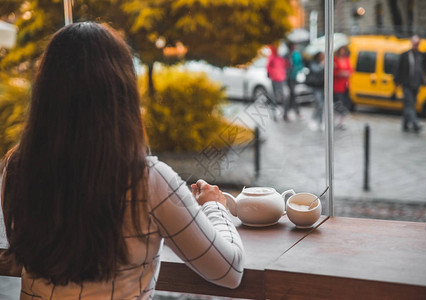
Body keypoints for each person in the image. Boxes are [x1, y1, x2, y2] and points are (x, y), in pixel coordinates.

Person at [0, 22, 244, 299]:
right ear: (122, 92)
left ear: (44, 91)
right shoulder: (148, 179)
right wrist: (214, 206)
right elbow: (230, 271)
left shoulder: (17, 166)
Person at [394, 35, 426, 133]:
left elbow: (425, 70)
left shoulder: (421, 56)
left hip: (416, 84)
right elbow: (399, 68)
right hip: (407, 84)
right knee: (409, 104)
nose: (416, 45)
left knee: (410, 104)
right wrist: (396, 81)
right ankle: (415, 124)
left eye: (417, 44)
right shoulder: (405, 55)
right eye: (414, 43)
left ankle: (405, 124)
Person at [267, 44, 288, 121]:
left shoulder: (281, 58)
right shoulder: (272, 57)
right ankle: (274, 114)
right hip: (275, 79)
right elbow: (268, 67)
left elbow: (285, 66)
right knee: (274, 97)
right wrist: (272, 74)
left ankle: (284, 114)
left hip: (281, 79)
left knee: (285, 97)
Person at [333, 45, 352, 129]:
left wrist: (347, 73)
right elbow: (333, 72)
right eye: (341, 50)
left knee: (345, 103)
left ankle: (342, 121)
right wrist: (340, 73)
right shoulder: (335, 60)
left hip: (345, 85)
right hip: (337, 85)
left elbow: (351, 69)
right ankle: (334, 120)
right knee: (338, 104)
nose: (342, 52)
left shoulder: (347, 60)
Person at [284, 41, 304, 121]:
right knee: (291, 95)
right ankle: (291, 112)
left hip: (294, 77)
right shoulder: (286, 55)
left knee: (293, 95)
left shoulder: (296, 54)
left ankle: (290, 112)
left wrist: (298, 69)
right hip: (287, 78)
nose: (294, 47)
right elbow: (285, 65)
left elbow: (300, 64)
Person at [307, 52, 325, 129]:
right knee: (319, 104)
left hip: (323, 87)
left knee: (321, 106)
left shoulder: (324, 63)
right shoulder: (313, 63)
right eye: (320, 56)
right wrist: (322, 65)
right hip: (316, 87)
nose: (322, 57)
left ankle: (320, 122)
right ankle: (313, 119)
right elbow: (316, 70)